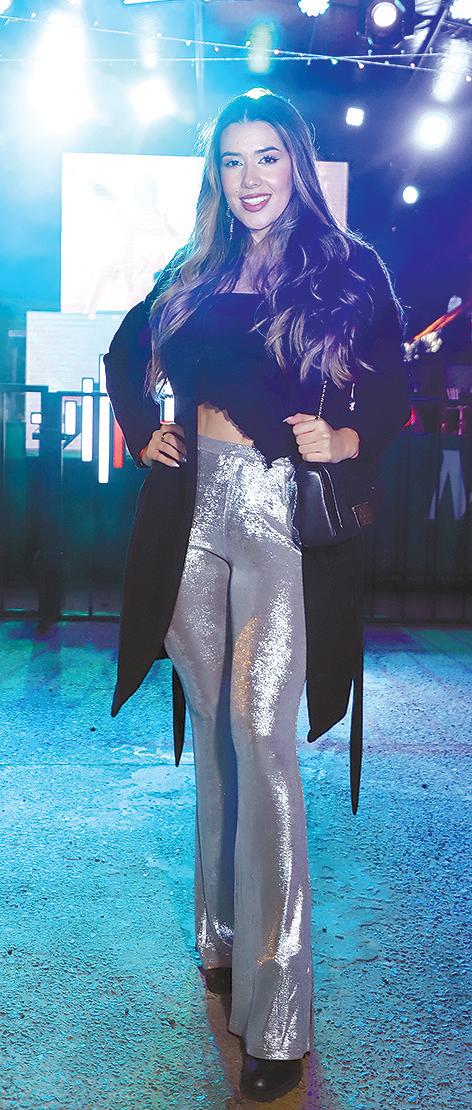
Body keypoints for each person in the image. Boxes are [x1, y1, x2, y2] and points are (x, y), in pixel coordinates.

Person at [105, 91, 410, 1102]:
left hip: (281, 517)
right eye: (232, 161)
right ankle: (223, 936)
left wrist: (349, 437)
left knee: (262, 740)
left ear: (297, 164)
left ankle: (278, 1017)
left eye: (267, 157)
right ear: (216, 175)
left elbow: (393, 390)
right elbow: (125, 351)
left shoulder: (347, 269)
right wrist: (138, 427)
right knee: (216, 735)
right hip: (191, 515)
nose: (249, 178)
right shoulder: (195, 268)